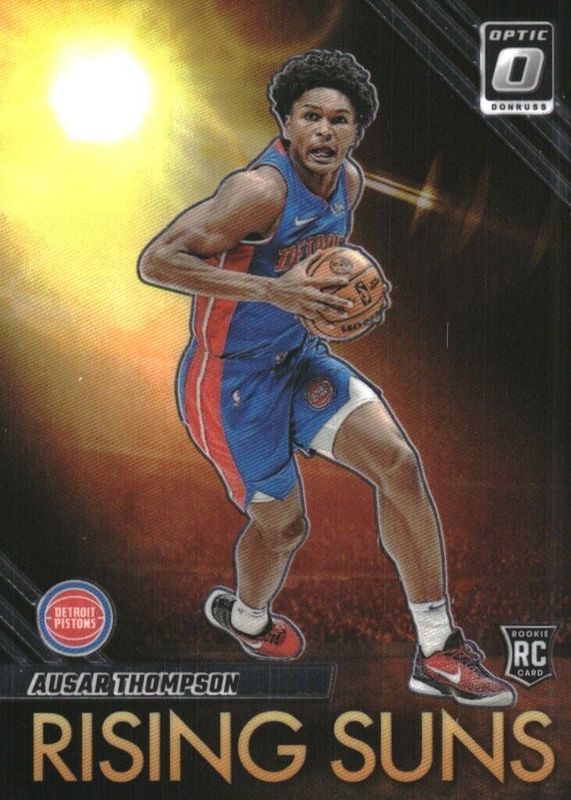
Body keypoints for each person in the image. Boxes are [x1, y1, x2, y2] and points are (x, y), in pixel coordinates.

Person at [138, 50, 515, 707]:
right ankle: (246, 618)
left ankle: (437, 649)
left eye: (338, 120)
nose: (323, 130)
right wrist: (272, 291)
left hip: (299, 358)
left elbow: (324, 269)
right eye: (309, 116)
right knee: (285, 530)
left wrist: (356, 297)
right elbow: (156, 261)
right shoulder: (260, 191)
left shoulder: (350, 183)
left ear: (355, 132)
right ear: (285, 124)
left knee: (399, 465)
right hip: (230, 387)